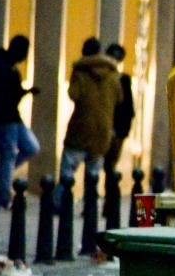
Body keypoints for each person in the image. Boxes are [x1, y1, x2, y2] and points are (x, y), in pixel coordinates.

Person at [0, 35, 40, 207]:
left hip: (13, 117)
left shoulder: (10, 67)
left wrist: (25, 92)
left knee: (31, 147)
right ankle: (3, 196)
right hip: (3, 117)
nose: (26, 56)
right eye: (25, 51)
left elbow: (12, 93)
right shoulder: (0, 66)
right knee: (9, 155)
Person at [58, 37, 122, 193]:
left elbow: (73, 94)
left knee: (68, 170)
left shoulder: (80, 73)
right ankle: (90, 209)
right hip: (103, 130)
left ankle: (60, 204)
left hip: (81, 127)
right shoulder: (113, 74)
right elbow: (120, 97)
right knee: (93, 176)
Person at [103, 44, 135, 177]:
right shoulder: (102, 77)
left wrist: (122, 132)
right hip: (104, 126)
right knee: (103, 164)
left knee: (110, 165)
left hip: (117, 128)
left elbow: (128, 108)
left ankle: (109, 195)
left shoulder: (124, 80)